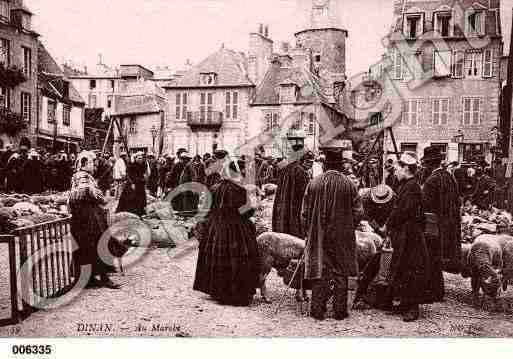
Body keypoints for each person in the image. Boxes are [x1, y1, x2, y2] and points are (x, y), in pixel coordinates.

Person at [301, 142, 363, 320]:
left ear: (325, 165)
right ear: (341, 165)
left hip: (318, 235)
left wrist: (309, 231)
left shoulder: (313, 184)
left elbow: (304, 213)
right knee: (341, 272)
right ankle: (339, 311)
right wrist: (349, 226)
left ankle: (317, 310)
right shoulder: (349, 184)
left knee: (320, 270)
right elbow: (359, 212)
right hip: (342, 235)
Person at [193, 160, 259, 306]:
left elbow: (207, 208)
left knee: (217, 258)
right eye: (241, 172)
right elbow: (245, 212)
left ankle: (217, 290)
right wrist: (253, 205)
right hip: (236, 228)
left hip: (215, 228)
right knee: (238, 258)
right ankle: (234, 293)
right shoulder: (240, 190)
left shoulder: (214, 188)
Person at [382, 152, 432, 322]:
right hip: (406, 234)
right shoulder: (407, 185)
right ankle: (404, 302)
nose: (395, 171)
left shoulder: (412, 187)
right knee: (403, 268)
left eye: (397, 168)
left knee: (412, 269)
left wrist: (387, 225)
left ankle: (412, 307)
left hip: (411, 236)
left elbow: (402, 211)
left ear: (406, 168)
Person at [68, 151, 120, 289]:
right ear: (84, 164)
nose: (94, 165)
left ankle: (90, 278)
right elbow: (90, 194)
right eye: (92, 163)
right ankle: (103, 277)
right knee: (97, 244)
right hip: (87, 217)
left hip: (86, 216)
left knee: (88, 246)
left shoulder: (81, 176)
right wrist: (102, 198)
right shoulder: (82, 176)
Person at [422, 146, 462, 300]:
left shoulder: (432, 180)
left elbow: (425, 204)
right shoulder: (450, 176)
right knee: (437, 258)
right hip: (449, 225)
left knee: (431, 257)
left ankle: (433, 291)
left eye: (426, 164)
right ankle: (438, 290)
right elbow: (457, 201)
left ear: (429, 164)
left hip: (434, 225)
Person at [272, 146, 313, 239]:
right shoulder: (300, 171)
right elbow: (305, 195)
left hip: (282, 210)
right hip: (294, 212)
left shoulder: (284, 169)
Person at [116, 152, 148, 217]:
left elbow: (144, 173)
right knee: (130, 198)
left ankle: (140, 212)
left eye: (141, 158)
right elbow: (129, 175)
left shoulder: (143, 165)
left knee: (141, 198)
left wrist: (143, 179)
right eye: (138, 158)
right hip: (132, 184)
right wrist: (132, 183)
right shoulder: (131, 165)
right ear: (135, 158)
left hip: (140, 185)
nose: (140, 160)